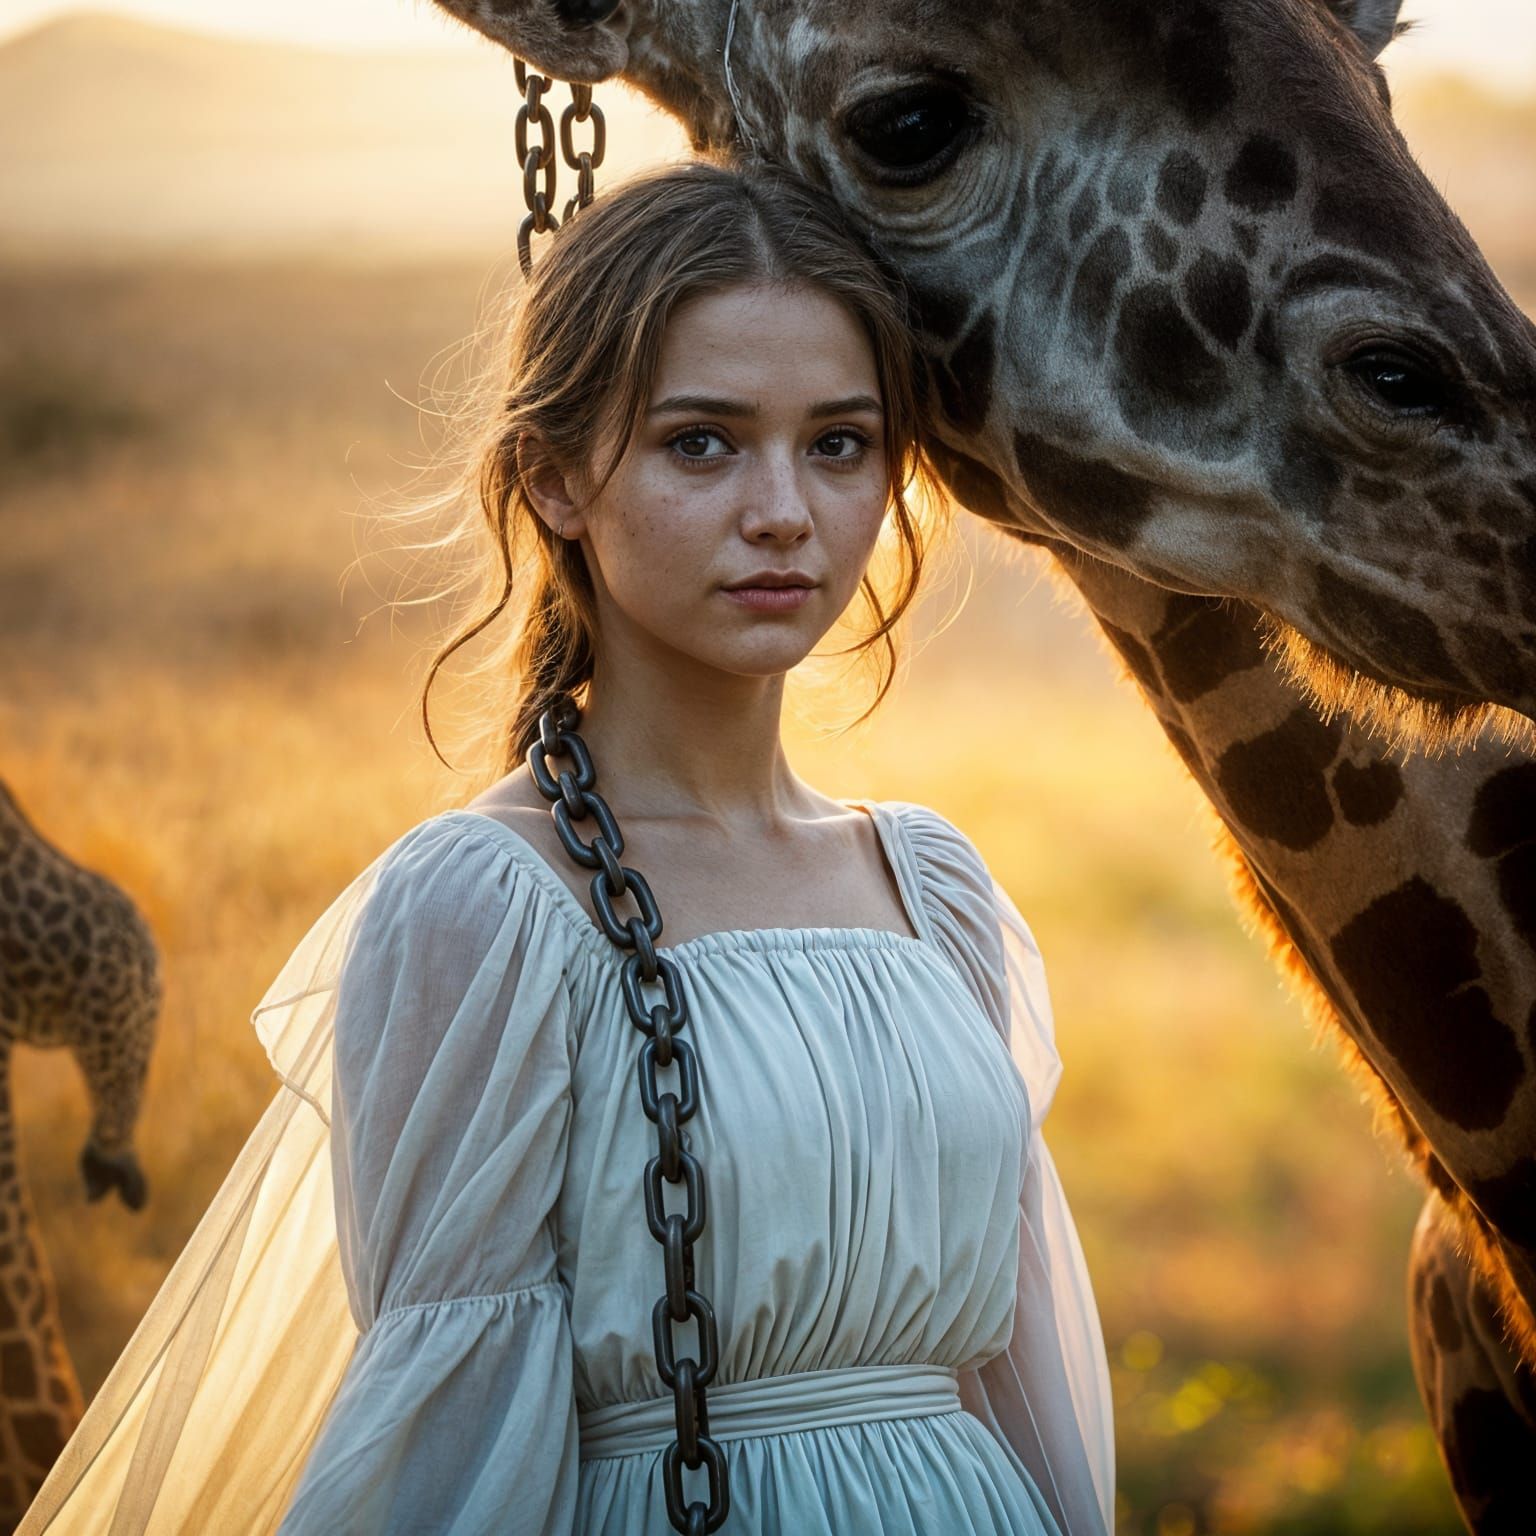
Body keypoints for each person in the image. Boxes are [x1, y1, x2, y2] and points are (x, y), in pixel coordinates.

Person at [18, 160, 1114, 1536]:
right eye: (702, 443)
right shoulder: (485, 906)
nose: (784, 509)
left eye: (838, 444)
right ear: (551, 479)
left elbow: (1025, 1381)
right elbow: (455, 1437)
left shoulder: (933, 890)